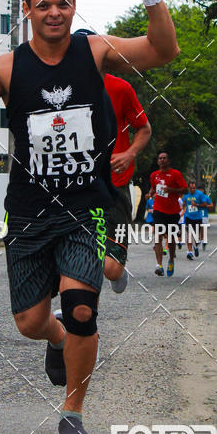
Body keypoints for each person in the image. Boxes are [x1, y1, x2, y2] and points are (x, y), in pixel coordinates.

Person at [0, 0, 178, 434]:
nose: (54, 12)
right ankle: (57, 337)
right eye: (43, 4)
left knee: (81, 308)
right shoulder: (6, 68)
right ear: (26, 10)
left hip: (84, 207)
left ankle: (72, 411)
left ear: (74, 8)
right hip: (29, 212)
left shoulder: (96, 51)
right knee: (30, 322)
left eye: (62, 3)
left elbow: (162, 50)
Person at [72, 34, 152, 296]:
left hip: (114, 184)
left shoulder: (120, 88)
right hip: (74, 184)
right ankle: (80, 309)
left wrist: (129, 154)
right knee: (79, 254)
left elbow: (144, 128)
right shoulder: (60, 90)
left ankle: (118, 267)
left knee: (111, 269)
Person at [148, 153, 188, 277]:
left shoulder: (175, 174)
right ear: (158, 161)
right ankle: (159, 265)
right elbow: (153, 189)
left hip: (173, 211)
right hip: (158, 210)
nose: (162, 160)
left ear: (168, 160)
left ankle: (171, 259)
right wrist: (150, 194)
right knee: (158, 236)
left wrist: (171, 190)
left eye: (164, 158)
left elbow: (185, 189)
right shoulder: (154, 175)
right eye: (160, 158)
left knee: (171, 239)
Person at [180, 181, 213, 257]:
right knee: (189, 234)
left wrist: (196, 205)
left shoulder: (200, 194)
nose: (192, 189)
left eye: (194, 188)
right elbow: (184, 202)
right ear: (189, 188)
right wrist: (183, 205)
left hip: (198, 217)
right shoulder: (186, 194)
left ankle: (196, 246)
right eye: (191, 188)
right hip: (188, 216)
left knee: (197, 236)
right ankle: (189, 251)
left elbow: (205, 204)